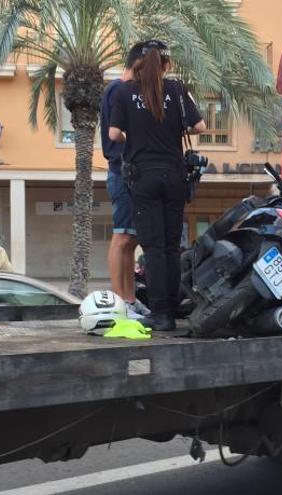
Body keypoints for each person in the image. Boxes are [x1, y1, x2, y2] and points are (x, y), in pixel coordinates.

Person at [109, 40, 206, 331]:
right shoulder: (176, 90)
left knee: (152, 247)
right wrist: (172, 130)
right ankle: (173, 310)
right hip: (174, 175)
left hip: (144, 177)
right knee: (170, 246)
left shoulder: (126, 92)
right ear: (166, 65)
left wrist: (137, 137)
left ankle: (160, 314)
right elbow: (199, 126)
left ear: (138, 65)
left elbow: (114, 134)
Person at [102, 42, 150, 318]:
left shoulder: (119, 90)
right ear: (140, 65)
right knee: (122, 236)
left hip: (126, 170)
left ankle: (129, 300)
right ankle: (120, 302)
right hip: (123, 171)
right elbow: (117, 133)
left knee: (130, 239)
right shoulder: (120, 91)